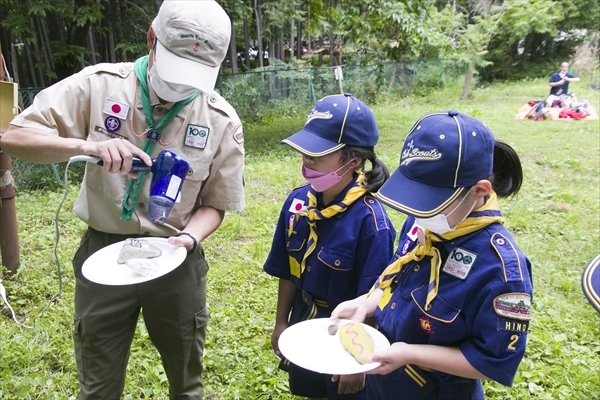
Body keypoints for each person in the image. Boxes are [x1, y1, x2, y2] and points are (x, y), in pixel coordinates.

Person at [0, 1, 244, 399]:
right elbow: (13, 136)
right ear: (151, 39)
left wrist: (190, 239)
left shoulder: (220, 119)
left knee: (187, 384)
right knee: (98, 386)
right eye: (176, 70)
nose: (183, 86)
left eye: (195, 77)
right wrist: (87, 146)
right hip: (104, 254)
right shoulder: (98, 85)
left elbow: (216, 203)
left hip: (177, 257)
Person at [331, 110, 533, 399]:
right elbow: (400, 281)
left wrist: (411, 353)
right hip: (386, 380)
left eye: (431, 202)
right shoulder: (426, 219)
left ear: (479, 191)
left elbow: (493, 360)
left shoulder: (502, 270)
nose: (417, 211)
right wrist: (366, 304)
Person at [263, 94, 396, 400]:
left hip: (346, 336)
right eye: (304, 149)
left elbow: (374, 301)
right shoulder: (297, 203)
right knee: (311, 391)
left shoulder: (371, 223)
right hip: (303, 323)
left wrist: (359, 365)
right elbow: (288, 271)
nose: (306, 159)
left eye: (318, 152)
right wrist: (282, 322)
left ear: (353, 160)